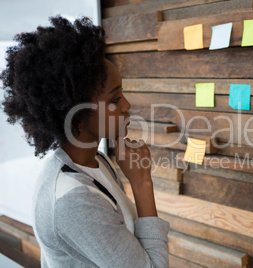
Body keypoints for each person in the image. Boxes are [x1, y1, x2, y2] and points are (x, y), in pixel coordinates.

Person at [0, 16, 169, 267]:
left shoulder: (96, 161)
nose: (127, 105)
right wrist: (142, 183)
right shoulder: (73, 202)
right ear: (76, 114)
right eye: (114, 100)